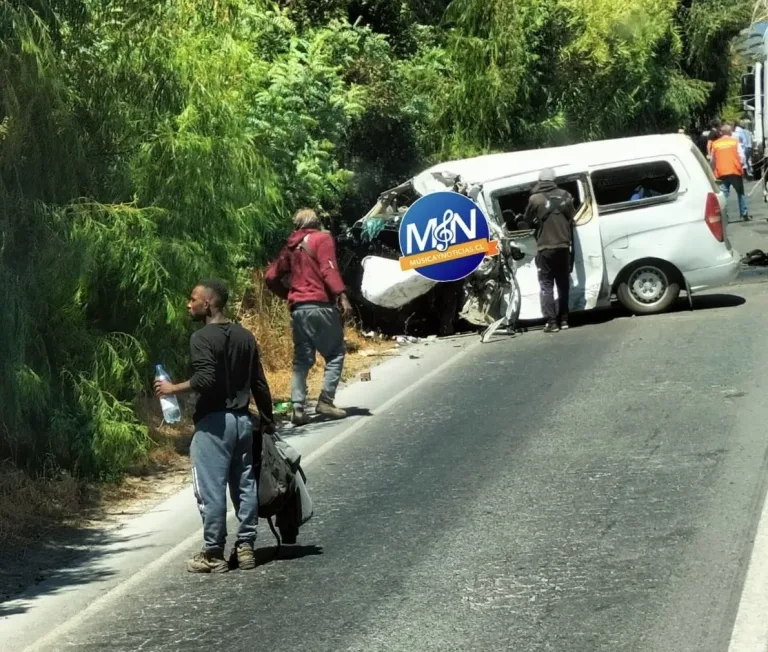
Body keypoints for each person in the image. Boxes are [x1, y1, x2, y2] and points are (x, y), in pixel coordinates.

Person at [154, 280, 276, 574]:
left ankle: (213, 553)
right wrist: (268, 419)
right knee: (244, 484)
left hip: (214, 425)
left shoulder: (201, 338)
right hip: (242, 421)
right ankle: (246, 547)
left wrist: (171, 389)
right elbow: (259, 382)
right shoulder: (245, 336)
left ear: (207, 304)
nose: (189, 304)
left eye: (192, 298)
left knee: (210, 489)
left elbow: (205, 379)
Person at [265, 208, 352, 426]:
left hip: (299, 310)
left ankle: (298, 408)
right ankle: (325, 401)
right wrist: (342, 296)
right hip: (320, 305)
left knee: (301, 360)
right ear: (316, 222)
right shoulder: (322, 239)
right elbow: (328, 269)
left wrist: (288, 295)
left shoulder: (291, 246)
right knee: (335, 353)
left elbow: (271, 276)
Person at [523, 168, 576, 333]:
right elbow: (572, 216)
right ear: (554, 180)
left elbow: (526, 220)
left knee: (546, 285)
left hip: (545, 248)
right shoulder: (566, 196)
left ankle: (552, 322)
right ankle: (565, 319)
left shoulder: (534, 199)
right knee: (563, 284)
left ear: (540, 180)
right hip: (563, 246)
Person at [711, 124, 750, 221]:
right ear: (730, 132)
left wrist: (713, 170)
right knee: (740, 192)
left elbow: (713, 160)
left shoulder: (715, 144)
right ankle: (744, 214)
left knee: (723, 195)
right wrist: (743, 166)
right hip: (734, 170)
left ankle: (725, 217)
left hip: (721, 172)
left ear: (721, 133)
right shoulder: (735, 142)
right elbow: (742, 156)